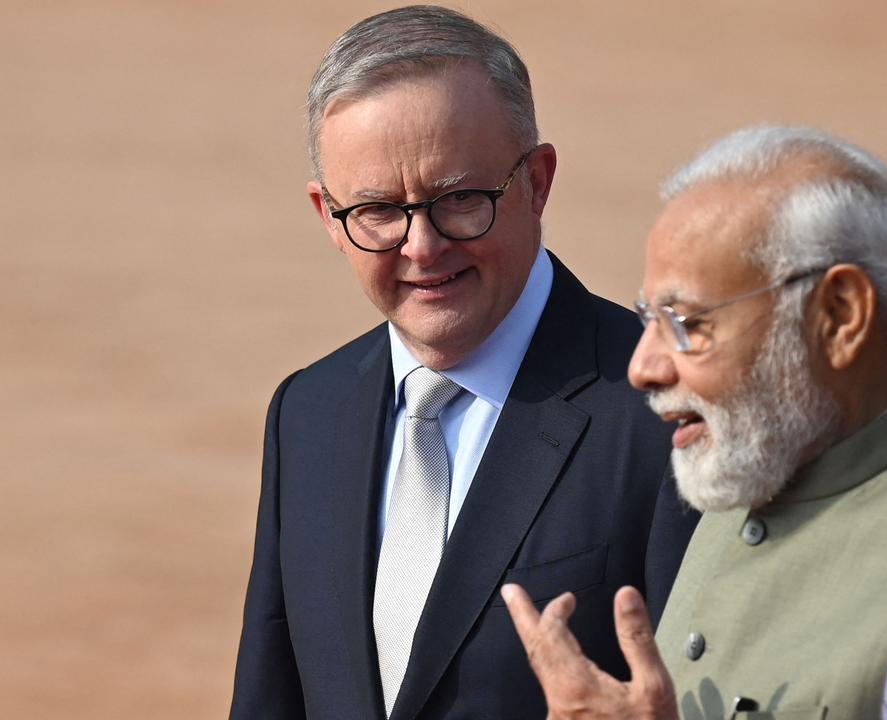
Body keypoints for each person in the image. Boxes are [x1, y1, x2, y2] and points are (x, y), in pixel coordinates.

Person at [502, 126, 887, 719]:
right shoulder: (755, 467)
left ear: (840, 315)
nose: (643, 366)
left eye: (688, 323)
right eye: (648, 320)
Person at [230, 6, 697, 719]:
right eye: (379, 210)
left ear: (537, 182)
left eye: (459, 199)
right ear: (328, 216)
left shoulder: (669, 411)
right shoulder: (307, 412)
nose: (423, 247)